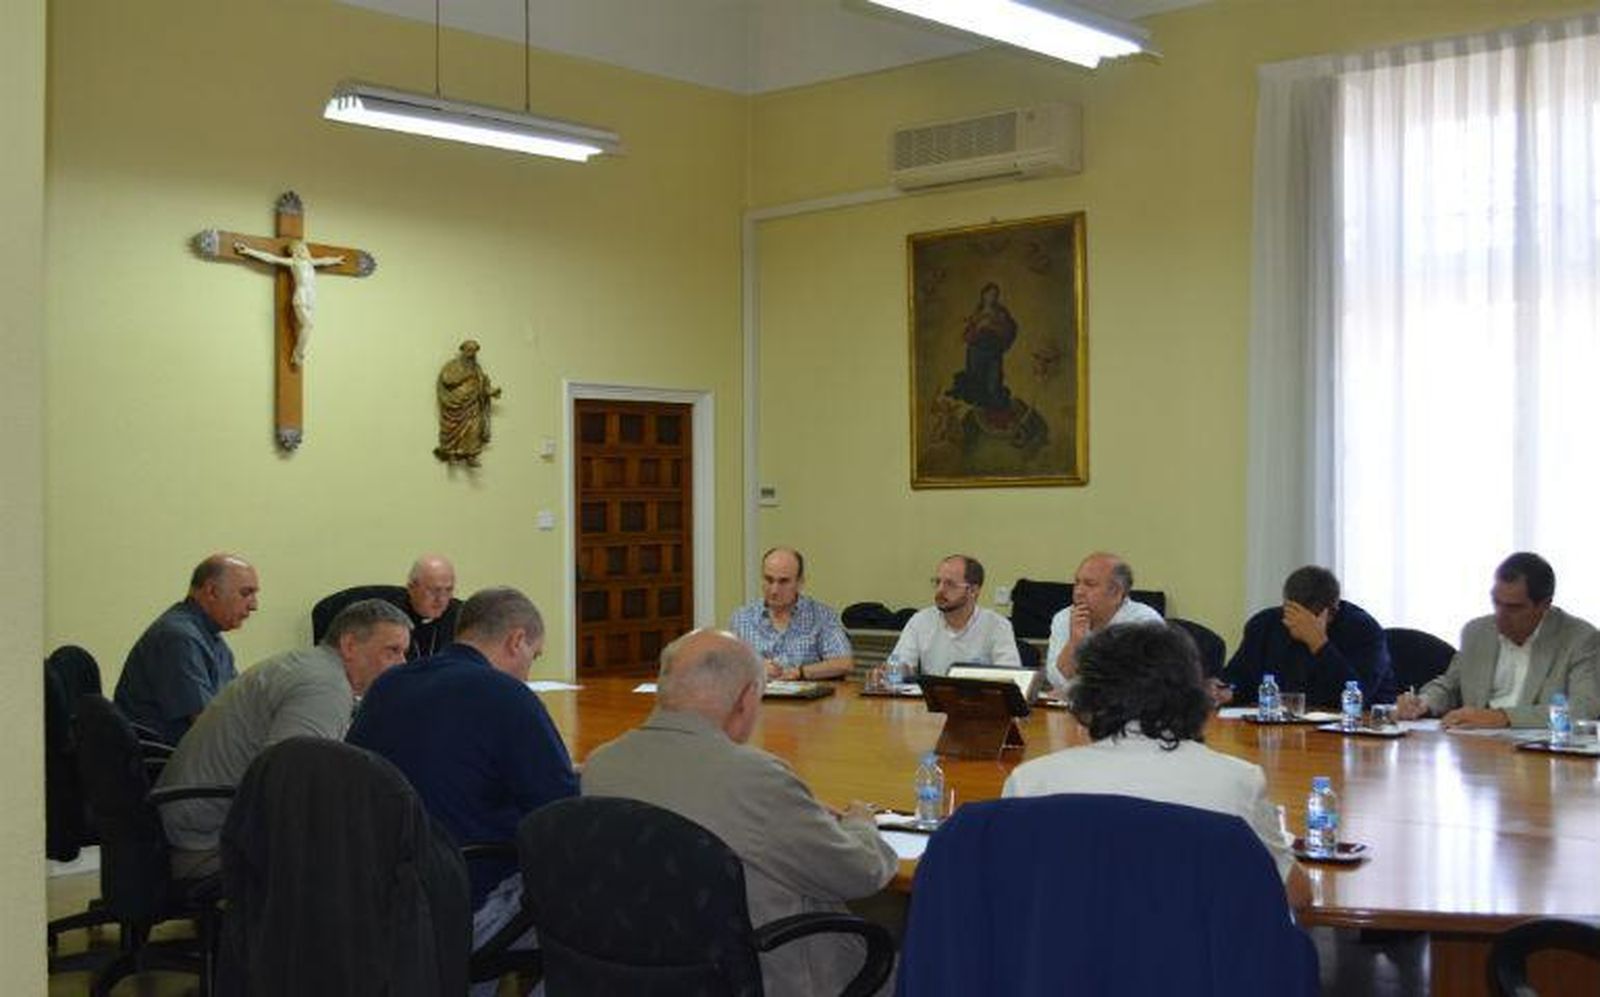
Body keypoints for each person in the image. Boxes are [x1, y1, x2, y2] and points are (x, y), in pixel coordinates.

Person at [581, 629, 897, 997]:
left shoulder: (601, 764)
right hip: (765, 976)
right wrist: (860, 823)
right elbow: (861, 873)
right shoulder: (755, 779)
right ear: (747, 698)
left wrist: (797, 810)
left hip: (634, 971)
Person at [346, 586, 576, 985]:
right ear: (517, 640)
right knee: (589, 921)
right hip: (465, 900)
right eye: (534, 657)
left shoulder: (389, 684)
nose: (529, 671)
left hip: (377, 894)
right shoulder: (507, 696)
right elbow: (561, 814)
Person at [1005, 623, 1311, 911]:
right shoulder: (1236, 782)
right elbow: (1295, 894)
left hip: (1063, 945)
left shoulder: (1031, 782)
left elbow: (1009, 886)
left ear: (1086, 697)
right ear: (1193, 694)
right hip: (1191, 946)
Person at [156, 599, 411, 878]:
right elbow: (292, 786)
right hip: (206, 838)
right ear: (349, 645)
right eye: (392, 651)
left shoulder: (308, 665)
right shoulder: (325, 687)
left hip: (191, 816)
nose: (403, 664)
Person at [1396, 552, 1599, 728]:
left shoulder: (1580, 639)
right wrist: (1423, 702)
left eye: (1514, 608)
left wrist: (1503, 717)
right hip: (1475, 746)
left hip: (1539, 751)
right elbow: (1451, 686)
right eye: (1496, 602)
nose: (1500, 615)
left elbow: (1583, 709)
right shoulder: (1477, 631)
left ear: (1544, 605)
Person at [114, 554, 260, 745]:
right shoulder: (179, 638)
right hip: (166, 756)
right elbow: (207, 725)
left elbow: (237, 708)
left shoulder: (210, 638)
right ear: (212, 592)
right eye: (245, 593)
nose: (254, 605)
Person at [1220, 566, 1395, 708]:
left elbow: (1358, 697)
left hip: (1353, 731)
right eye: (1292, 613)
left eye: (1310, 617)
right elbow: (1239, 676)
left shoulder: (1364, 630)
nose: (1297, 623)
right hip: (1279, 725)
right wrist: (1229, 691)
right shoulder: (1264, 624)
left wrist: (1319, 644)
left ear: (1332, 611)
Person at [730, 547, 853, 680]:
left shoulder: (822, 616)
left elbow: (844, 663)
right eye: (769, 580)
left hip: (806, 691)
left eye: (783, 581)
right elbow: (727, 666)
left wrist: (799, 672)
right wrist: (754, 667)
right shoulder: (742, 618)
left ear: (800, 582)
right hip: (760, 691)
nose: (774, 590)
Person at [887, 554, 1021, 677]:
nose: (940, 590)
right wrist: (896, 672)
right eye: (938, 582)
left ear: (973, 590)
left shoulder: (998, 626)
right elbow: (899, 666)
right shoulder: (920, 621)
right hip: (932, 695)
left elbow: (1011, 677)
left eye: (950, 584)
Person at [1045, 552, 1163, 690]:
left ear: (1116, 592)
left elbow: (1141, 682)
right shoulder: (1064, 617)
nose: (1078, 592)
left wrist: (1076, 690)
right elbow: (1056, 679)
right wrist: (1075, 641)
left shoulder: (1144, 622)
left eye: (1089, 584)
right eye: (1077, 583)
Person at [233, 238, 345, 366]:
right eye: (299, 250)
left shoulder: (311, 262)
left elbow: (325, 261)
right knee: (308, 325)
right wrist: (249, 251)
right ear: (295, 252)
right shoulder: (293, 262)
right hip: (301, 296)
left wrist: (336, 260)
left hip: (311, 297)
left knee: (305, 327)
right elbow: (271, 258)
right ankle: (297, 354)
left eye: (304, 249)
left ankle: (298, 352)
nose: (303, 252)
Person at [947, 282, 1018, 412]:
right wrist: (978, 327)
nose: (992, 297)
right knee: (977, 385)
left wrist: (992, 326)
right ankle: (978, 415)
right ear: (983, 295)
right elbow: (966, 336)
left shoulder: (1001, 313)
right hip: (976, 353)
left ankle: (993, 414)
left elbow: (1009, 331)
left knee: (993, 386)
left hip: (993, 353)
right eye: (990, 294)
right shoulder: (977, 313)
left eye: (995, 295)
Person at [434, 339, 501, 466]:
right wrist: (464, 375)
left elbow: (481, 386)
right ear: (463, 350)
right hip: (455, 403)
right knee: (453, 429)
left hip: (473, 404)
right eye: (469, 350)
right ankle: (451, 453)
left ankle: (471, 454)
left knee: (474, 429)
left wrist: (491, 391)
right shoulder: (452, 365)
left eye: (474, 351)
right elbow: (446, 380)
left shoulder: (477, 369)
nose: (472, 353)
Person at [402, 554, 461, 660]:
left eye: (448, 590)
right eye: (435, 590)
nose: (441, 599)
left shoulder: (461, 618)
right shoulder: (392, 618)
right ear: (411, 588)